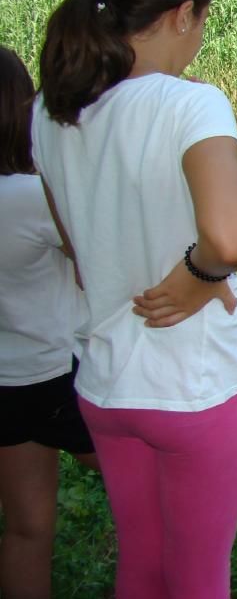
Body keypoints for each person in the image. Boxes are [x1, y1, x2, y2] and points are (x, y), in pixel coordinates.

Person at [31, 0, 237, 598]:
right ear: (183, 14)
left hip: (105, 384)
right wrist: (198, 275)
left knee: (141, 565)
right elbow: (233, 236)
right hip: (192, 387)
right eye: (201, 23)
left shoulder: (50, 111)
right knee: (197, 579)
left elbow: (77, 243)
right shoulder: (190, 104)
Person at [0, 47, 99, 599]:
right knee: (154, 480)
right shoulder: (30, 197)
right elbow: (94, 269)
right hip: (56, 378)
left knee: (25, 528)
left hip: (5, 382)